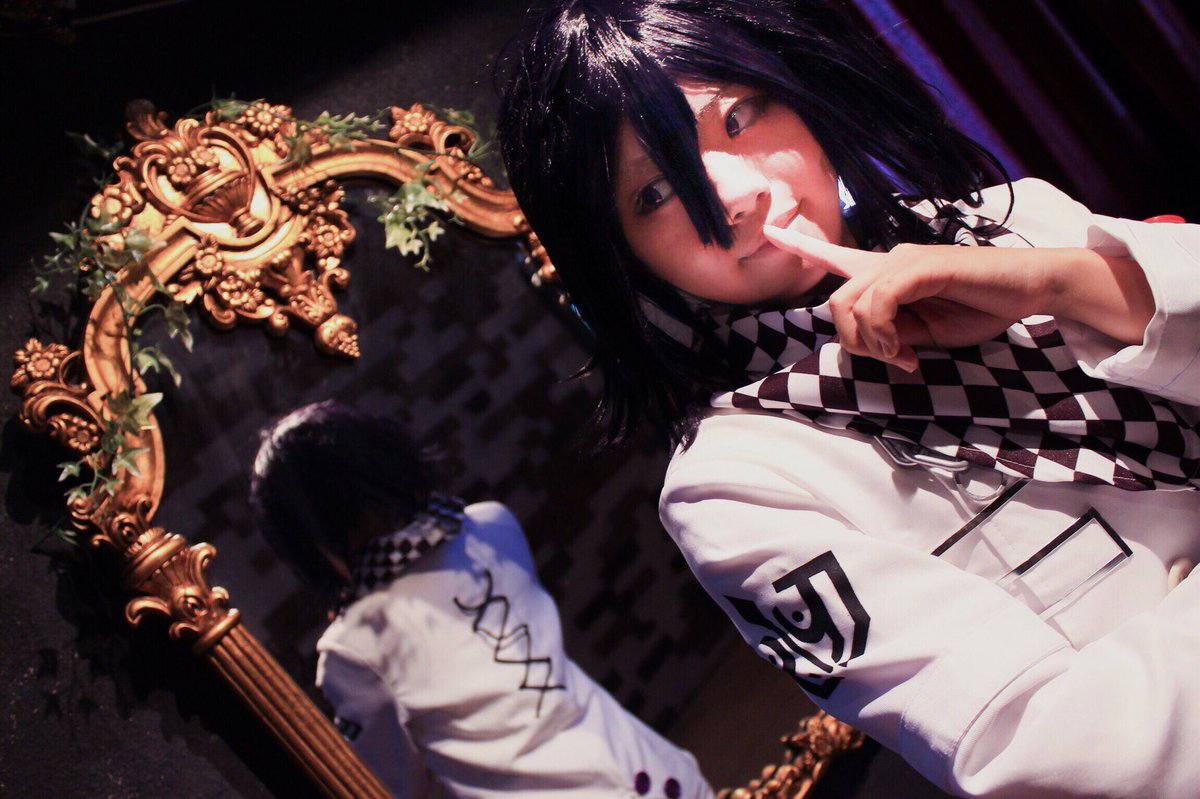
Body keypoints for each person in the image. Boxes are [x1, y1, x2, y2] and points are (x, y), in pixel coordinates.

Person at [497, 1, 1200, 797]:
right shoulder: (734, 486)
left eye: (740, 116)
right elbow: (1064, 755)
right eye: (655, 192)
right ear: (620, 254)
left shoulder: (1017, 222)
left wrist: (1062, 283)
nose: (733, 195)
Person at [250, 401, 712, 799]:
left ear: (312, 541)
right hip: (661, 773)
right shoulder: (490, 523)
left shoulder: (351, 649)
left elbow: (392, 785)